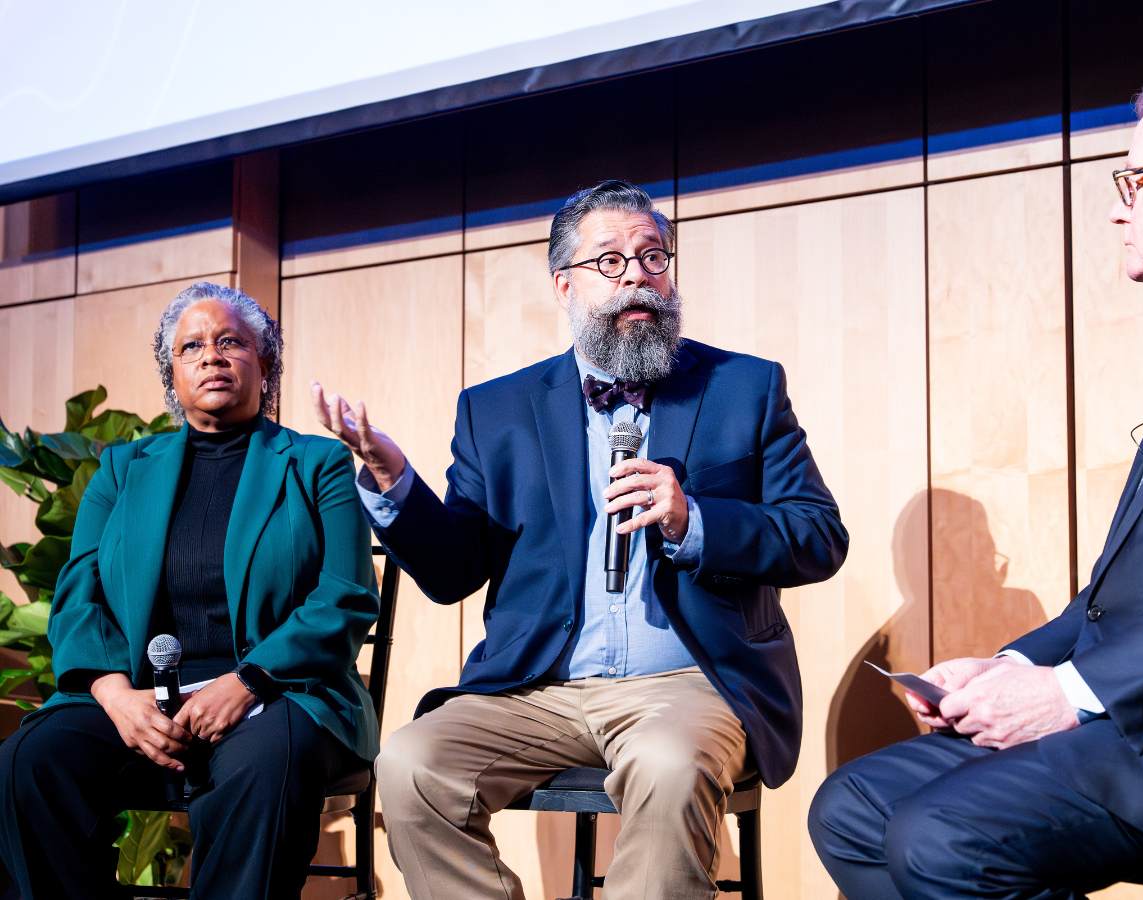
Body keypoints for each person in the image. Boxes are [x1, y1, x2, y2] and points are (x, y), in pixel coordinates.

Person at [809, 66, 1143, 899]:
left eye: (1135, 179)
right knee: (852, 808)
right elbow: (1119, 599)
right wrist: (1008, 669)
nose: (1116, 208)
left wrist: (1071, 692)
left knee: (942, 836)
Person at [314, 179, 848, 900]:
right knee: (410, 765)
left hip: (690, 681)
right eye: (610, 261)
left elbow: (817, 534)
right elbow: (453, 571)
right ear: (564, 284)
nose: (637, 276)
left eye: (652, 256)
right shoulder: (496, 410)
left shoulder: (743, 388)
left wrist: (694, 520)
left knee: (668, 767)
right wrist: (393, 480)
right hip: (537, 687)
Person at [0, 282, 380, 899]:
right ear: (172, 373)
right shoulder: (122, 470)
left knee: (264, 763)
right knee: (30, 763)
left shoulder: (316, 463)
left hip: (280, 694)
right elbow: (78, 594)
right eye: (192, 347)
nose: (212, 356)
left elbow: (346, 594)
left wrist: (248, 681)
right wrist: (117, 698)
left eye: (232, 342)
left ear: (264, 363)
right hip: (138, 700)